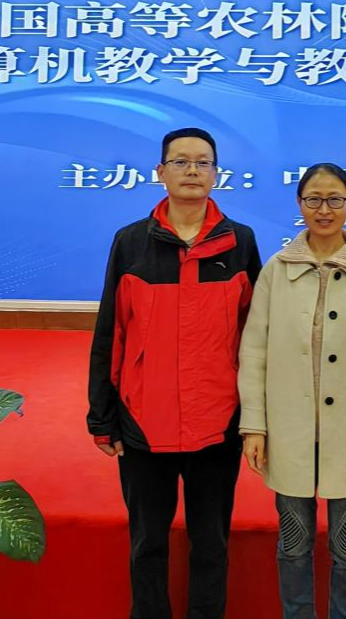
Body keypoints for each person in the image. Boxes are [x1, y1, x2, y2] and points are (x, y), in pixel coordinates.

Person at [87, 127, 261, 619]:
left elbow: (256, 337)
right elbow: (111, 331)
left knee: (212, 543)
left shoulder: (240, 242)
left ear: (216, 174)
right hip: (144, 421)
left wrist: (256, 416)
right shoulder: (131, 243)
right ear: (160, 172)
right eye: (180, 161)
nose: (192, 170)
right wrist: (102, 416)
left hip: (218, 421)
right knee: (147, 543)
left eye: (202, 162)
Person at [237, 162, 346, 619]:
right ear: (300, 204)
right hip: (289, 432)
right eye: (314, 199)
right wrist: (254, 425)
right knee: (293, 547)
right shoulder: (277, 271)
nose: (324, 209)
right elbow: (254, 351)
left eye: (335, 199)